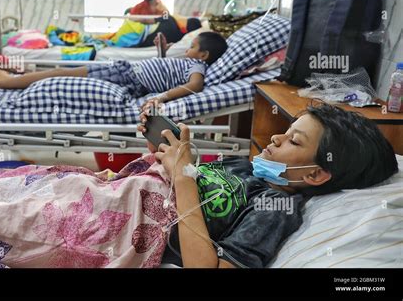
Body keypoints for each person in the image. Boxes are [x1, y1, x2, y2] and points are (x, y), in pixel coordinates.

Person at [137, 103, 398, 267]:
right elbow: (178, 180)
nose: (275, 137)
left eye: (293, 141)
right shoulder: (244, 167)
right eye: (286, 130)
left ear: (316, 175)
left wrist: (183, 176)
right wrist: (162, 151)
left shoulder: (275, 207)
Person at [0, 32, 228, 105]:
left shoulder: (197, 66)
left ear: (204, 55)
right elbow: (168, 73)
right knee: (61, 72)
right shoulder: (191, 62)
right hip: (126, 71)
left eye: (192, 46)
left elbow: (195, 85)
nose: (188, 49)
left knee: (60, 74)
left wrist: (162, 97)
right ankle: (10, 79)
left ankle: (2, 82)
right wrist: (162, 52)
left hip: (127, 77)